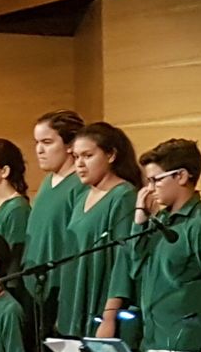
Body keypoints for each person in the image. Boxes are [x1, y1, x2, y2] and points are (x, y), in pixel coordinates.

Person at [97, 138, 201, 352]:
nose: (150, 189)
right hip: (155, 340)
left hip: (188, 345)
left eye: (156, 180)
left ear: (181, 176)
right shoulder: (160, 220)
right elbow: (135, 267)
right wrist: (139, 219)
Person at [56, 122, 140, 339]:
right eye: (75, 157)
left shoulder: (123, 195)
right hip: (76, 302)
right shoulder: (81, 196)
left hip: (101, 305)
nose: (80, 165)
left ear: (110, 155)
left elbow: (123, 259)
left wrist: (109, 317)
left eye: (88, 155)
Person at [20, 110, 87, 329]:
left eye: (47, 142)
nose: (39, 149)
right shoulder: (47, 182)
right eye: (37, 142)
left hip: (58, 289)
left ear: (70, 145)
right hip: (35, 286)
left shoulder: (79, 185)